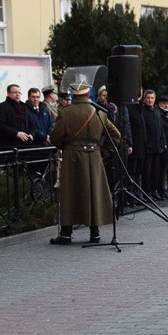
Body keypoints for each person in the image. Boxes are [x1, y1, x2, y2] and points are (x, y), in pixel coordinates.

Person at [49, 76, 121, 244]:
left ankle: (66, 234)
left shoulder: (65, 113)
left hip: (73, 156)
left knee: (70, 194)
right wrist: (102, 151)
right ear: (89, 95)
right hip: (94, 156)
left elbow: (56, 138)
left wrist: (66, 147)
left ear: (74, 95)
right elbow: (116, 136)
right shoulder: (99, 112)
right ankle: (94, 233)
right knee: (94, 193)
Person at [0, 84, 34, 148]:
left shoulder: (25, 107)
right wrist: (16, 133)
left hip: (24, 145)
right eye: (15, 92)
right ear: (8, 93)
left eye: (19, 93)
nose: (17, 94)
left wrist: (31, 134)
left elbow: (31, 124)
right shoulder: (1, 107)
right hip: (8, 145)